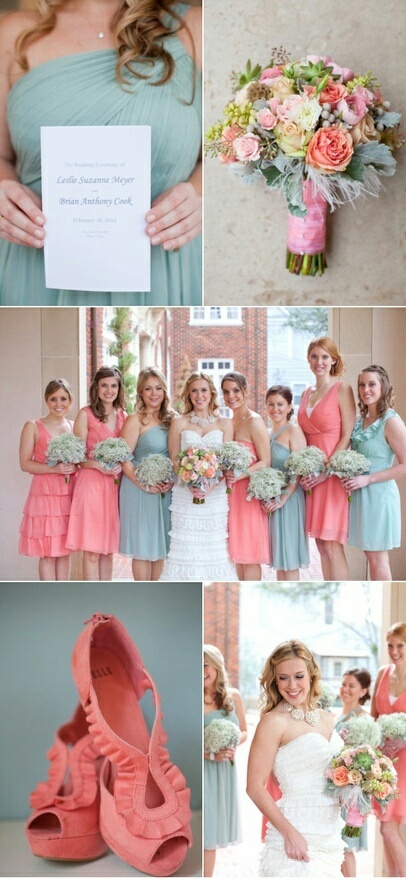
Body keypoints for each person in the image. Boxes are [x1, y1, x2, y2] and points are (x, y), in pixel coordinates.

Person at [0, 1, 201, 305]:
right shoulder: (14, 32)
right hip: (33, 267)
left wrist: (202, 195)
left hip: (164, 264)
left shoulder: (195, 27)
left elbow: (223, 152)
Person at [247, 639, 344, 877]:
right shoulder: (273, 722)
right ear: (274, 680)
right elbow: (254, 788)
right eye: (283, 678)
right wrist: (290, 835)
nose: (291, 685)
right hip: (295, 831)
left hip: (329, 832)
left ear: (311, 675)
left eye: (299, 676)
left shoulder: (326, 718)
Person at [160, 372, 236, 580]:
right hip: (186, 493)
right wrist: (190, 480)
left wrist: (210, 485)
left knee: (214, 547)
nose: (199, 395)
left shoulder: (225, 423)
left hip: (215, 495)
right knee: (186, 546)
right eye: (194, 390)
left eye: (203, 390)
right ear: (188, 395)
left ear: (211, 393)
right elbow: (175, 459)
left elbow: (225, 461)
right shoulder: (179, 422)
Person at [298, 337, 356, 580]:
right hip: (310, 478)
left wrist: (326, 472)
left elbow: (347, 435)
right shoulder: (305, 393)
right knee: (321, 544)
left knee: (332, 543)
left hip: (331, 476)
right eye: (314, 356)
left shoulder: (343, 389)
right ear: (309, 360)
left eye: (324, 357)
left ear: (333, 360)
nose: (319, 362)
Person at [342, 365, 406, 580]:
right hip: (361, 495)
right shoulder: (360, 420)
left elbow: (404, 464)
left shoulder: (391, 421)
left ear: (383, 387)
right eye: (362, 384)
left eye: (372, 384)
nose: (365, 389)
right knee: (370, 556)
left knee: (378, 560)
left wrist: (367, 479)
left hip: (379, 495)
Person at [66, 365, 126, 579]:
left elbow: (127, 450)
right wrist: (97, 465)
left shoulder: (123, 416)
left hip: (112, 487)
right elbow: (77, 456)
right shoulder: (86, 414)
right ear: (96, 388)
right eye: (104, 386)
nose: (109, 390)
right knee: (91, 551)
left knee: (107, 551)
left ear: (119, 389)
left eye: (113, 386)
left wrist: (120, 464)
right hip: (90, 484)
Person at [119, 367, 174, 581]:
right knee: (143, 547)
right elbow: (124, 459)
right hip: (138, 490)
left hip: (163, 490)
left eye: (158, 388)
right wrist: (144, 485)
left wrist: (171, 480)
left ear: (164, 391)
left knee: (160, 546)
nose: (154, 393)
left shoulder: (173, 420)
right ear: (141, 392)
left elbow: (177, 456)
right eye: (148, 389)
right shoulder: (135, 420)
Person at [19, 378, 76, 580]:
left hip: (68, 493)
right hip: (44, 494)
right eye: (53, 399)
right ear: (46, 400)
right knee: (48, 553)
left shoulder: (74, 426)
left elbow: (80, 460)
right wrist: (55, 468)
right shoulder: (33, 426)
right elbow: (25, 463)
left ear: (70, 400)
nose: (58, 404)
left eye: (63, 398)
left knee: (64, 551)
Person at [221, 371, 270, 580]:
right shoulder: (228, 422)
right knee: (237, 557)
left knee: (249, 556)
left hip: (247, 495)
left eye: (236, 391)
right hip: (229, 496)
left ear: (245, 392)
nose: (231, 396)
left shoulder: (254, 421)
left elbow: (265, 460)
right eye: (226, 392)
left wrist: (242, 475)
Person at [204, 644, 247, 878]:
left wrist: (232, 744)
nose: (201, 671)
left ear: (216, 666)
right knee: (203, 828)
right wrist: (209, 753)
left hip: (223, 770)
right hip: (205, 768)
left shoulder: (233, 697)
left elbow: (243, 731)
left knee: (211, 835)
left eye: (205, 665)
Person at [371, 622, 406, 878]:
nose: (395, 651)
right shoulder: (382, 673)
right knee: (385, 827)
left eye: (400, 646)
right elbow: (373, 718)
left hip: (404, 763)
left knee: (388, 828)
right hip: (382, 761)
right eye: (390, 645)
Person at [263, 385, 309, 580]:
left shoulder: (294, 432)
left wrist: (283, 497)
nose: (276, 409)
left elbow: (299, 470)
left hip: (290, 500)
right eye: (271, 404)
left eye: (280, 404)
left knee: (289, 561)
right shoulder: (266, 432)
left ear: (290, 406)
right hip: (273, 501)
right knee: (280, 562)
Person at [335, 668, 372, 878]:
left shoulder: (363, 720)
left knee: (346, 845)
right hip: (336, 788)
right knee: (337, 846)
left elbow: (368, 759)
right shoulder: (338, 715)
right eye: (343, 684)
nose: (345, 689)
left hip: (353, 796)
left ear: (363, 690)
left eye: (351, 686)